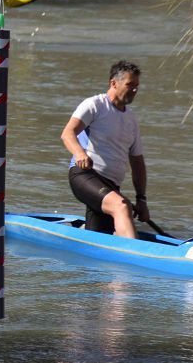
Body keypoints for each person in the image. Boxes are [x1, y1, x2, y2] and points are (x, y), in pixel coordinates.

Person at [60, 61, 149, 239]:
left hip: (110, 186)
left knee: (100, 238)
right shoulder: (95, 105)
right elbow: (67, 133)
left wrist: (141, 199)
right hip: (85, 176)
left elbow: (137, 162)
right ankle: (134, 255)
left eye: (137, 86)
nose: (134, 90)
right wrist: (79, 153)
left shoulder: (131, 120)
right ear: (113, 83)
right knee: (121, 206)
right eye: (130, 85)